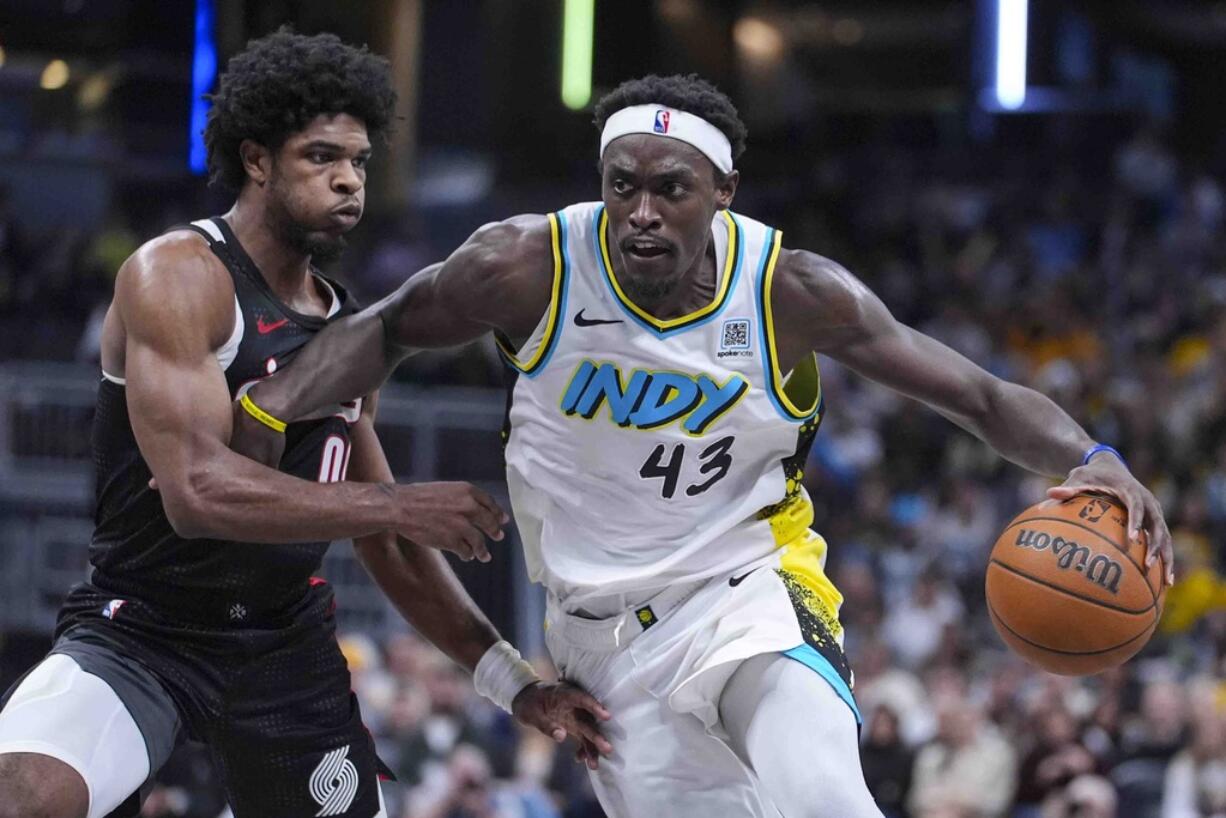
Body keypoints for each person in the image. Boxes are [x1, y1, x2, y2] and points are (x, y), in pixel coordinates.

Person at [230, 74, 1175, 818]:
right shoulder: (527, 264)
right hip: (598, 639)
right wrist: (268, 410)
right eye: (621, 187)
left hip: (749, 589)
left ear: (723, 192)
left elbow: (974, 393)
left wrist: (1090, 459)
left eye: (670, 190)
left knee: (825, 801)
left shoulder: (792, 292)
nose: (640, 212)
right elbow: (386, 327)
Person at [0, 30, 606, 818]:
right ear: (257, 161)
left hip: (284, 651)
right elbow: (196, 492)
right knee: (23, 795)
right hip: (144, 632)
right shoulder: (178, 275)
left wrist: (514, 684)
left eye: (358, 161)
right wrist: (395, 502)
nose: (349, 181)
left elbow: (389, 547)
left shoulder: (348, 331)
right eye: (322, 158)